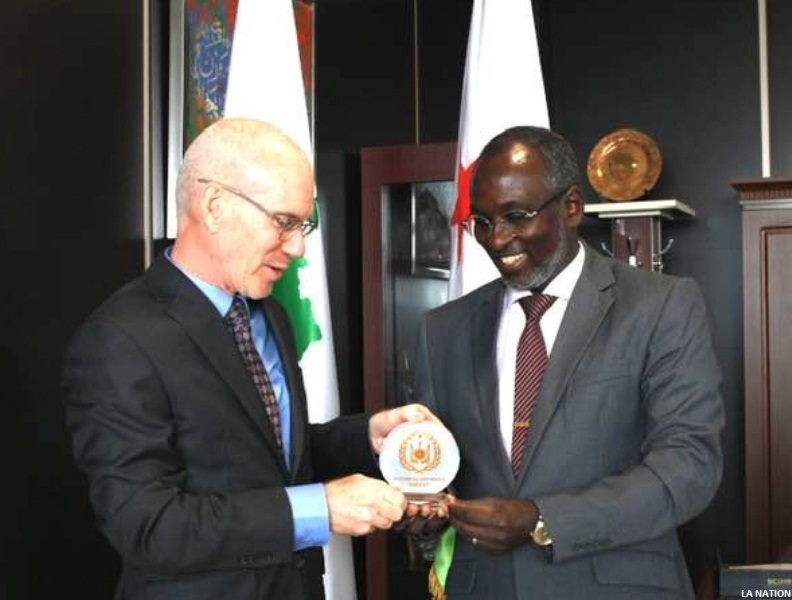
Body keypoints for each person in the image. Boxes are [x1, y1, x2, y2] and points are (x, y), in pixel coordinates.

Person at [61, 117, 437, 600]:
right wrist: (318, 509)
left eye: (304, 225)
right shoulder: (119, 340)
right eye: (283, 223)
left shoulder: (270, 316)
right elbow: (147, 524)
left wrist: (367, 436)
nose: (299, 248)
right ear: (215, 207)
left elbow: (268, 458)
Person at [412, 125, 724, 599]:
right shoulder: (442, 330)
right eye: (481, 221)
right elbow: (433, 472)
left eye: (516, 215)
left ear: (572, 207)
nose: (497, 239)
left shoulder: (660, 306)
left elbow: (689, 465)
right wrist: (422, 511)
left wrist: (542, 519)